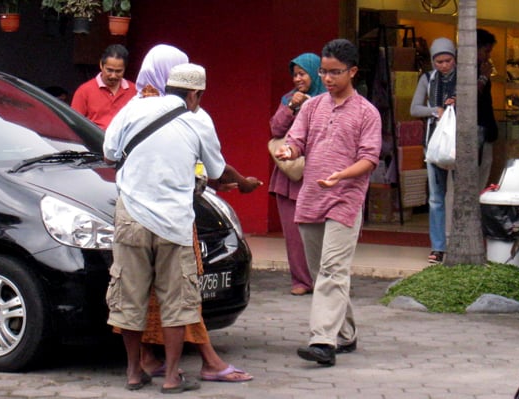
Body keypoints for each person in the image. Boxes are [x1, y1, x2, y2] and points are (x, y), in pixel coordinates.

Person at [106, 44, 258, 388]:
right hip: (173, 223)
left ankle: (133, 373)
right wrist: (241, 183)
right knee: (178, 302)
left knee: (130, 297)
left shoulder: (133, 108)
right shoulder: (197, 121)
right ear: (193, 94)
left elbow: (109, 150)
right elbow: (217, 171)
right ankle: (172, 377)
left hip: (131, 215)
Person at [275, 38, 382, 367]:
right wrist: (288, 150)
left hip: (345, 201)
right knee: (321, 270)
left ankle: (322, 340)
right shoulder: (312, 106)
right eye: (324, 71)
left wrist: (341, 176)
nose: (328, 78)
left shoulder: (367, 112)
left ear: (352, 71)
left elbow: (370, 159)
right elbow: (296, 139)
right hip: (310, 198)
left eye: (335, 72)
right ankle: (346, 331)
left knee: (333, 269)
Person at [269, 52, 326, 296]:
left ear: (315, 73)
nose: (298, 79)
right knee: (293, 233)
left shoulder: (327, 100)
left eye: (302, 74)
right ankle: (301, 281)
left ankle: (323, 279)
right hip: (290, 174)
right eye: (295, 75)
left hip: (318, 172)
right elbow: (275, 128)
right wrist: (292, 105)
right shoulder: (288, 99)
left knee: (319, 231)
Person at [410, 37, 457, 265]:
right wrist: (434, 111)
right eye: (439, 61)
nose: (444, 65)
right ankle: (438, 247)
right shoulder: (428, 79)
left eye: (448, 60)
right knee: (436, 199)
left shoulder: (465, 79)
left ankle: (458, 241)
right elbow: (414, 108)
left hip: (460, 146)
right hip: (435, 145)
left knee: (460, 197)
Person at [71, 44, 137, 130]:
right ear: (101, 65)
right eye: (109, 70)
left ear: (125, 69)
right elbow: (73, 123)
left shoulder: (134, 91)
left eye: (118, 71)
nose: (113, 76)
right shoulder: (84, 91)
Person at [477, 28, 498, 189]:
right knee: (479, 170)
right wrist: (484, 77)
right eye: (486, 51)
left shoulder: (482, 67)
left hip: (485, 127)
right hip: (477, 128)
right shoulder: (467, 71)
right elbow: (471, 97)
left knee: (485, 167)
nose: (488, 56)